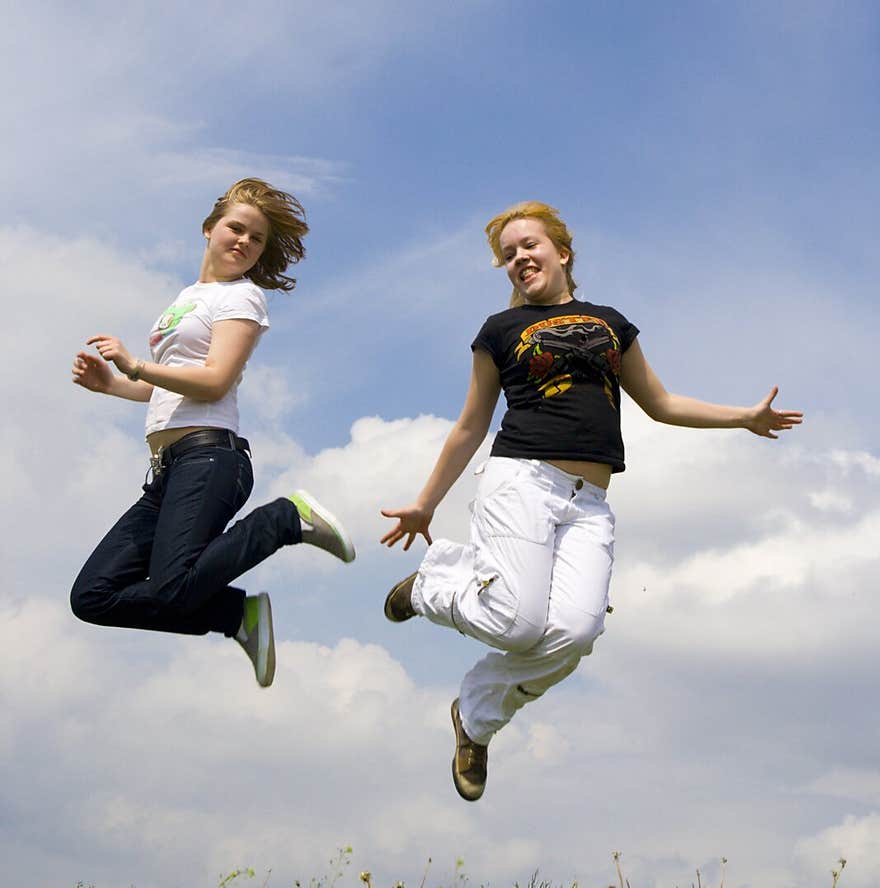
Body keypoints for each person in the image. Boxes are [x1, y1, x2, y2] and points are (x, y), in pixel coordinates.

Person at [380, 200, 803, 801]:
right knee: (518, 622)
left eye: (528, 246)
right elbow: (471, 425)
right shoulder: (498, 332)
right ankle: (432, 585)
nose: (519, 259)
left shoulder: (610, 323)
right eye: (507, 255)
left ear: (561, 251)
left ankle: (474, 717)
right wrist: (425, 504)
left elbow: (661, 404)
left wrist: (744, 418)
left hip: (589, 502)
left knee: (575, 635)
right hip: (520, 480)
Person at [70, 177, 354, 689]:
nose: (244, 242)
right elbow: (168, 386)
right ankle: (235, 616)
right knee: (92, 596)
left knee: (173, 586)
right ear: (209, 229)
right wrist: (112, 384)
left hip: (211, 459)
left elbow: (214, 380)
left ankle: (286, 518)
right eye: (236, 228)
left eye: (257, 239)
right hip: (168, 472)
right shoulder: (186, 299)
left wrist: (135, 365)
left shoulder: (242, 299)